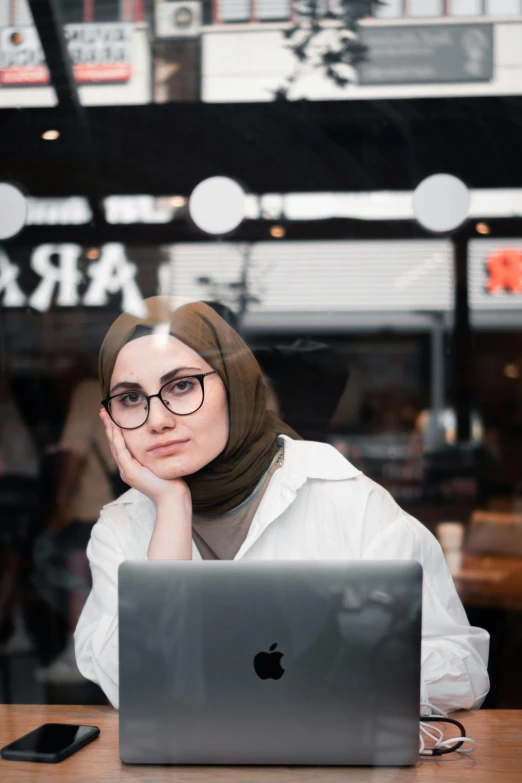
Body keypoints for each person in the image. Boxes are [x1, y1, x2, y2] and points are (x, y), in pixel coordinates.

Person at [74, 297, 489, 714]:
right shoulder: (121, 527)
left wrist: (348, 666)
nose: (157, 419)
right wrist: (172, 504)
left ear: (234, 385)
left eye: (181, 386)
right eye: (130, 399)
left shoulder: (345, 500)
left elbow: (463, 669)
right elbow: (140, 684)